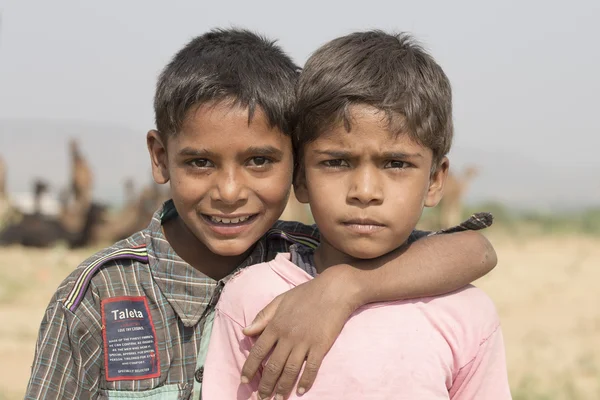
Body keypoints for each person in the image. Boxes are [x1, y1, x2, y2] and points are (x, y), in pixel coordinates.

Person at [25, 29, 498, 400]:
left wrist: (346, 286)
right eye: (200, 162)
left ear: (296, 164)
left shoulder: (306, 255)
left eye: (259, 161)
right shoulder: (98, 297)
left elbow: (473, 249)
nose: (229, 193)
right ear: (160, 157)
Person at [203, 30, 511, 399]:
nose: (364, 191)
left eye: (396, 163)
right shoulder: (253, 297)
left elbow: (478, 249)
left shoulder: (465, 313)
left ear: (434, 180)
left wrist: (347, 287)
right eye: (336, 162)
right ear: (299, 177)